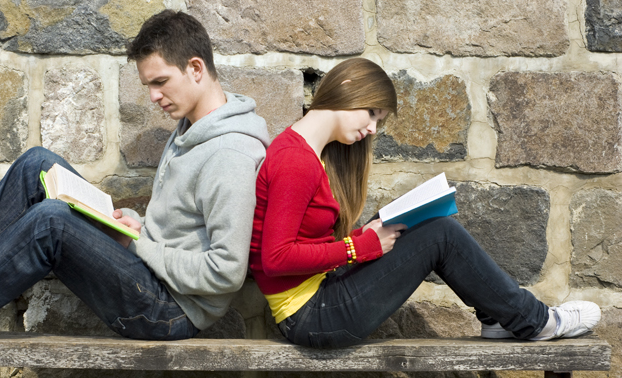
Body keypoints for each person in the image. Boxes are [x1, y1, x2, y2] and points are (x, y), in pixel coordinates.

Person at [0, 10, 269, 339]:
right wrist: (137, 225)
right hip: (151, 275)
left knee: (50, 222)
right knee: (38, 163)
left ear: (196, 68)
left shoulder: (229, 153)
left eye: (160, 82)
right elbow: (183, 227)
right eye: (148, 85)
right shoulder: (192, 127)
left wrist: (139, 245)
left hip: (169, 311)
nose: (153, 97)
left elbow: (226, 271)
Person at [249, 58, 600, 349]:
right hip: (313, 315)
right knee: (440, 235)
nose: (372, 129)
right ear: (348, 88)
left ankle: (498, 317)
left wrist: (361, 238)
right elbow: (276, 259)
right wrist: (357, 248)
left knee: (414, 222)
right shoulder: (295, 161)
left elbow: (306, 242)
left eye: (378, 121)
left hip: (322, 294)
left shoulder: (311, 154)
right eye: (371, 113)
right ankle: (535, 322)